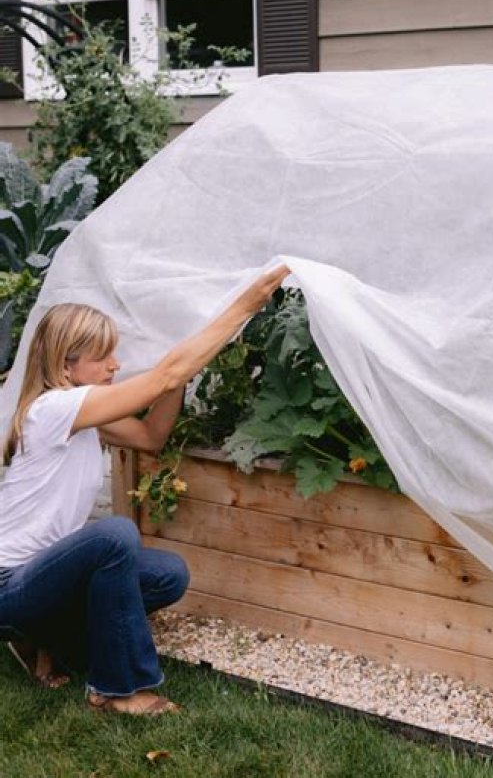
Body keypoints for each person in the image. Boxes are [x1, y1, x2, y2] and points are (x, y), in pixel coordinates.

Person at [0, 264, 290, 715]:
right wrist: (246, 305)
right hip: (10, 584)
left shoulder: (82, 415)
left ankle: (46, 638)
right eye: (102, 357)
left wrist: (181, 378)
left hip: (45, 576)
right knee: (114, 537)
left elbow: (151, 436)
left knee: (165, 573)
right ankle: (117, 690)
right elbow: (161, 378)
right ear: (65, 367)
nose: (115, 364)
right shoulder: (53, 409)